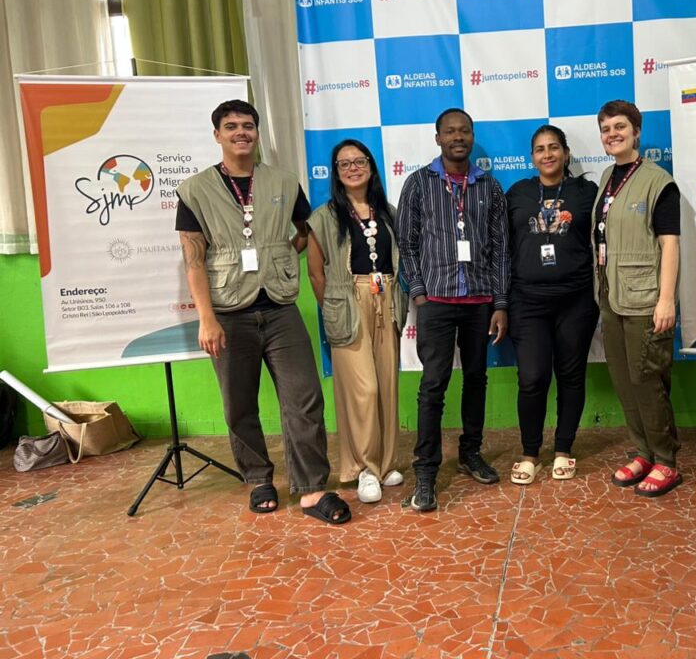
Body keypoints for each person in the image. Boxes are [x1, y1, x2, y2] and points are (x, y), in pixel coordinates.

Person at [176, 100, 349, 524]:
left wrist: (282, 256)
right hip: (228, 313)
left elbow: (306, 231)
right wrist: (206, 318)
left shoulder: (283, 182)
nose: (241, 132)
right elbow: (193, 260)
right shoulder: (195, 190)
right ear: (217, 135)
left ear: (257, 132)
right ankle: (258, 479)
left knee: (304, 398)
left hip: (279, 309)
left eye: (248, 125)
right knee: (239, 403)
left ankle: (311, 489)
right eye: (231, 126)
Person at [396, 108, 511, 512]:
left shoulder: (489, 187)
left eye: (464, 131)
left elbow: (501, 250)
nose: (457, 137)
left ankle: (470, 452)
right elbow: (406, 243)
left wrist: (500, 303)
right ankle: (425, 472)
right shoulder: (418, 183)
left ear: (472, 136)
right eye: (450, 131)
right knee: (433, 385)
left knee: (476, 380)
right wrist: (419, 293)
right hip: (437, 302)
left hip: (479, 303)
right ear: (438, 138)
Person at [307, 139, 408, 504]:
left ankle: (385, 462)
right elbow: (315, 272)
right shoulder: (324, 217)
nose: (353, 168)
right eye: (344, 163)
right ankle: (364, 468)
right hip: (348, 302)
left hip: (386, 300)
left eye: (359, 161)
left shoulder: (389, 212)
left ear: (371, 166)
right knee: (362, 390)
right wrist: (334, 307)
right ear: (336, 172)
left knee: (386, 384)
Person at [594, 100, 683, 498]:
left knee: (647, 381)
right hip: (611, 297)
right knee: (624, 380)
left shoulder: (658, 181)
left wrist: (666, 300)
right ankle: (643, 452)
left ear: (636, 132)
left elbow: (670, 244)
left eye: (619, 127)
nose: (612, 134)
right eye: (605, 128)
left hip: (646, 299)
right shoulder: (607, 178)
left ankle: (665, 460)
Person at [505, 125, 599, 484]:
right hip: (527, 302)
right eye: (540, 149)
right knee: (532, 378)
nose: (548, 154)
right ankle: (530, 453)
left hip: (576, 300)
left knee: (571, 376)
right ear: (532, 157)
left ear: (566, 153)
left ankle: (563, 449)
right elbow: (502, 247)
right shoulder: (518, 193)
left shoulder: (586, 193)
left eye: (554, 147)